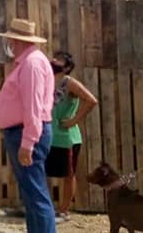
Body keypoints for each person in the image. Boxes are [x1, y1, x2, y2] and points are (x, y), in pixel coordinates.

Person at [0, 18, 56, 233]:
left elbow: (33, 106)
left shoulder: (31, 64)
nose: (9, 43)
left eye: (11, 40)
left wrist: (28, 142)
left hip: (25, 132)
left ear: (15, 40)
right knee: (31, 194)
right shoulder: (29, 61)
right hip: (22, 131)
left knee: (36, 195)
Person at [46, 52, 98, 223]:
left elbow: (91, 100)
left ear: (67, 67)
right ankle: (46, 209)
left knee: (68, 174)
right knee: (44, 172)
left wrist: (74, 120)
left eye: (59, 59)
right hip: (47, 135)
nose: (54, 60)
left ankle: (64, 211)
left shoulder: (69, 82)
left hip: (66, 137)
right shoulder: (47, 80)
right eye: (54, 57)